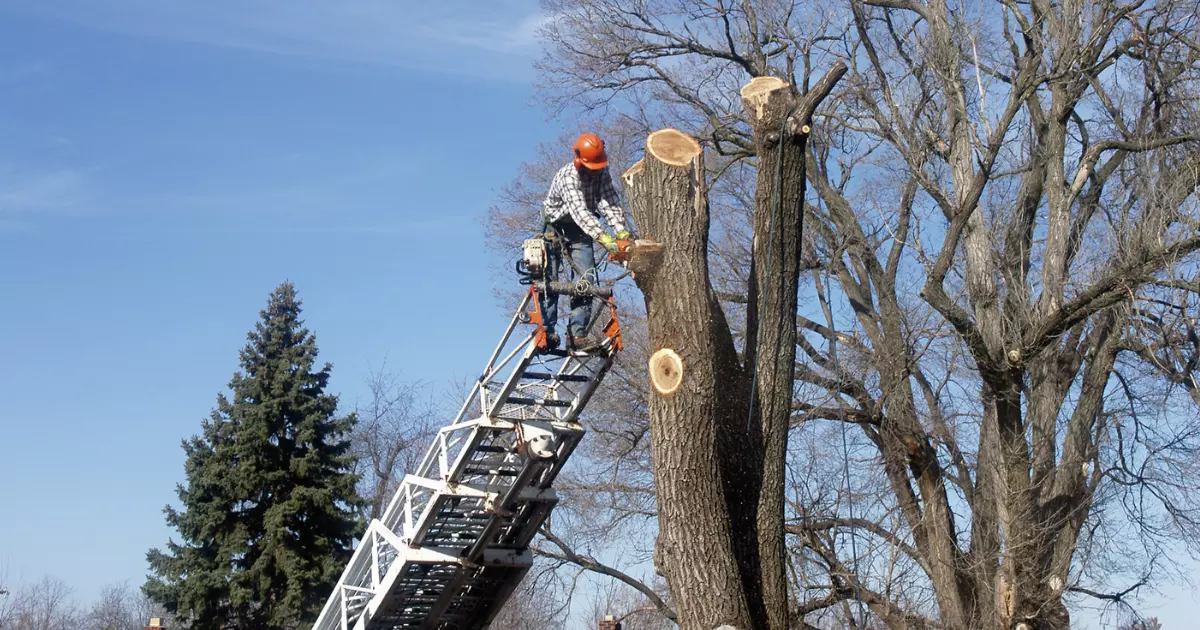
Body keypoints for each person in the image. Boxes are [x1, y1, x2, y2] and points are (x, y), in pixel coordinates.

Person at [539, 132, 632, 351]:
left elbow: (610, 200)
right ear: (579, 160)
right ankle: (547, 332)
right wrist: (604, 238)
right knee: (548, 279)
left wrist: (621, 233)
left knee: (586, 277)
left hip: (581, 226)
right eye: (591, 168)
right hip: (555, 225)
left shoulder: (601, 170)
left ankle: (577, 335)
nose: (594, 172)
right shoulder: (568, 177)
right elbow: (580, 212)